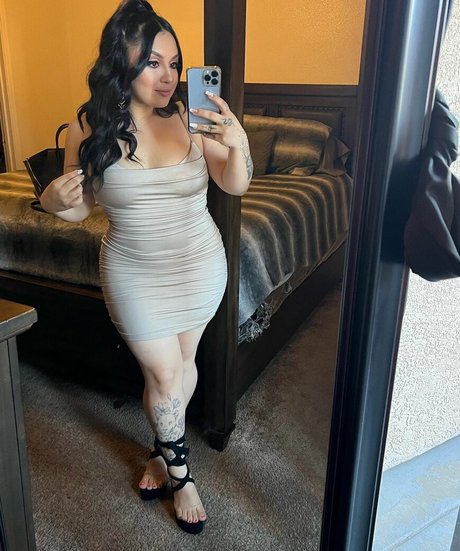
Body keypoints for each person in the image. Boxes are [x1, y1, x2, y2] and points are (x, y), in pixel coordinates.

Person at [39, 0, 252, 535]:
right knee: (163, 373)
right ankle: (182, 475)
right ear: (122, 61)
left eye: (174, 64)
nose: (168, 76)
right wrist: (52, 201)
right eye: (153, 62)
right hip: (134, 273)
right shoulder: (87, 127)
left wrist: (238, 144)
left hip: (199, 266)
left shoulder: (190, 116)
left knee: (182, 364)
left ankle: (160, 453)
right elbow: (82, 206)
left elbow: (234, 184)